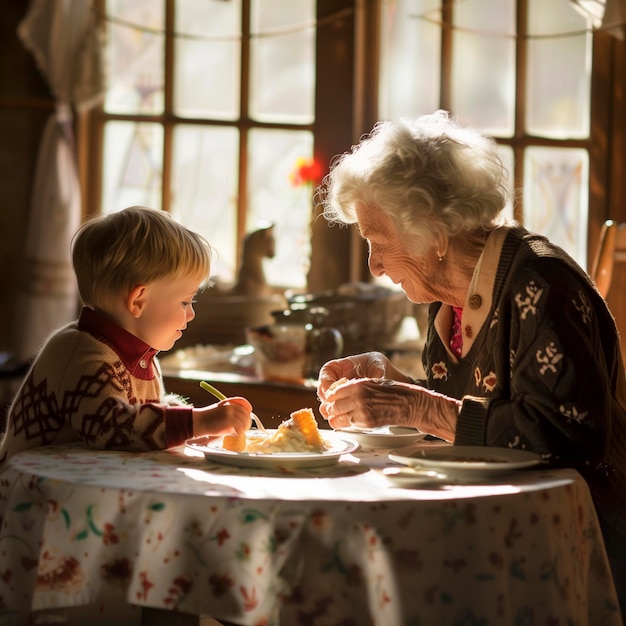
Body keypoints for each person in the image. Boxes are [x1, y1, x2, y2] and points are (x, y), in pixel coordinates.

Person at [316, 110, 626, 612]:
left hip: (584, 546)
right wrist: (393, 383)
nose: (373, 264)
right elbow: (486, 408)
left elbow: (568, 436)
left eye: (378, 241)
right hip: (497, 537)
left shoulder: (539, 283)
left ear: (432, 233)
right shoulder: (449, 300)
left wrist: (414, 408)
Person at [0, 206, 252, 464]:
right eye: (185, 302)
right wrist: (199, 422)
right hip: (30, 491)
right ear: (138, 301)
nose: (191, 315)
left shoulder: (140, 356)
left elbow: (144, 413)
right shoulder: (81, 353)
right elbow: (112, 427)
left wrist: (197, 426)